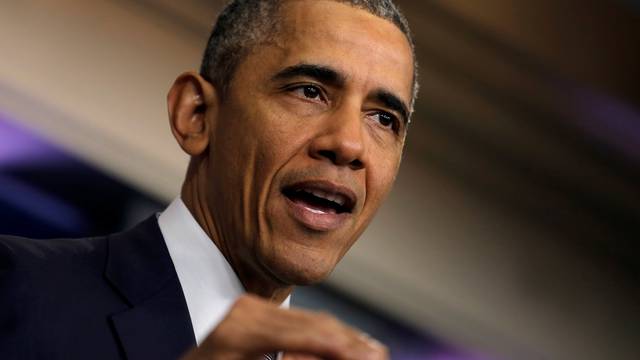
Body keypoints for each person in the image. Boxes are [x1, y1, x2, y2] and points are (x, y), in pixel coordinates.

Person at [0, 0, 418, 359]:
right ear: (196, 115)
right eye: (308, 91)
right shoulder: (14, 287)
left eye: (384, 119)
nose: (349, 144)